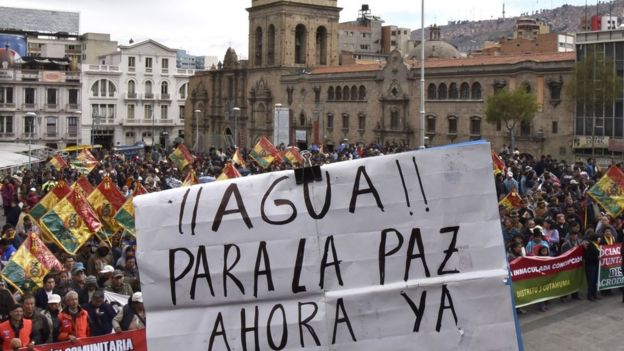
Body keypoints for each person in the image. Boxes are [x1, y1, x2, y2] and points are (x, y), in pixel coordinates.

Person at [584, 234, 601, 302]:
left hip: (596, 265)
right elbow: (587, 257)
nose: (599, 239)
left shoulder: (596, 245)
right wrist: (596, 258)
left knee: (595, 281)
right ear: (595, 239)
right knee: (591, 281)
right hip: (590, 266)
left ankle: (594, 294)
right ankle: (590, 295)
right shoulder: (590, 246)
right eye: (598, 238)